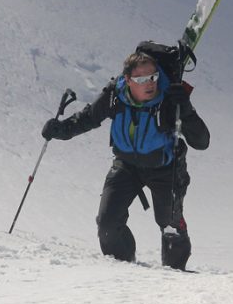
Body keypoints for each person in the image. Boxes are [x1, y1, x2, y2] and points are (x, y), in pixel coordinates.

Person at [40, 47, 209, 270]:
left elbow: (202, 142)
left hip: (165, 168)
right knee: (107, 226)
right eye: (142, 78)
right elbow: (89, 118)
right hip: (126, 166)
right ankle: (125, 270)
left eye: (153, 77)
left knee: (170, 226)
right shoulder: (114, 96)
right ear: (128, 80)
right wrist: (61, 129)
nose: (150, 83)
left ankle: (175, 275)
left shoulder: (169, 98)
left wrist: (186, 110)